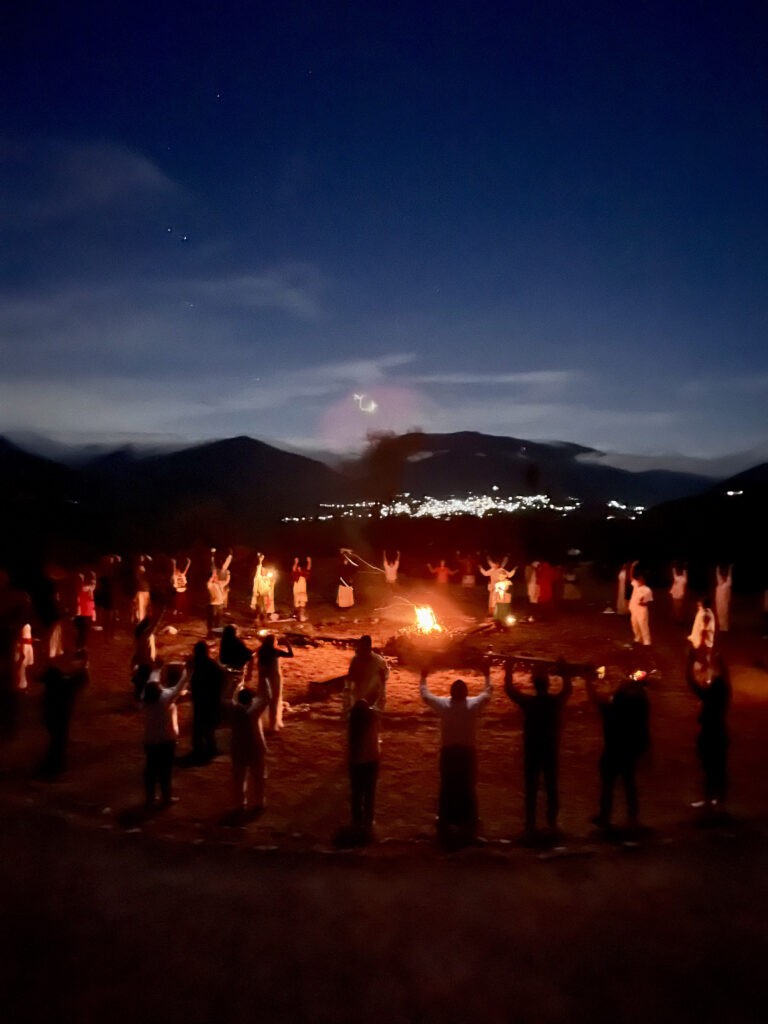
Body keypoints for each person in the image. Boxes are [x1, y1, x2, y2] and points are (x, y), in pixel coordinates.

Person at [419, 663, 492, 846]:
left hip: (450, 754)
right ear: (466, 693)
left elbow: (425, 696)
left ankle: (445, 823)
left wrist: (423, 677)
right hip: (466, 754)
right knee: (467, 788)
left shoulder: (445, 705)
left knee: (447, 788)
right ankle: (469, 823)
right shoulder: (472, 705)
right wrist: (487, 675)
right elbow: (487, 693)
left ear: (451, 693)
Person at [504, 659, 572, 836]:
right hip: (550, 748)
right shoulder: (554, 702)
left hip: (532, 748)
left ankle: (530, 825)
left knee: (531, 788)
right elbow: (567, 690)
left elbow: (510, 690)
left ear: (533, 684)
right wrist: (565, 671)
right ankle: (552, 824)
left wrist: (509, 669)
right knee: (551, 786)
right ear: (548, 684)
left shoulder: (529, 702)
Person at [586, 670, 650, 830]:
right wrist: (639, 686)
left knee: (608, 785)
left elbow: (595, 698)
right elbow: (643, 703)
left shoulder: (610, 711)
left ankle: (605, 816)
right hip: (629, 750)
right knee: (629, 783)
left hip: (612, 752)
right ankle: (632, 817)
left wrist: (588, 682)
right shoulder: (636, 711)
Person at [685, 648, 730, 809]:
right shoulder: (724, 693)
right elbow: (725, 679)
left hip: (709, 735)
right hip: (721, 734)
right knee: (719, 768)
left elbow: (691, 682)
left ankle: (709, 800)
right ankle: (719, 800)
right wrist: (721, 663)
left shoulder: (709, 696)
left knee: (709, 769)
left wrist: (690, 661)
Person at [142, 661, 188, 807]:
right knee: (165, 771)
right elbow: (180, 687)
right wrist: (188, 671)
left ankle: (150, 797)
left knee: (151, 769)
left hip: (150, 740)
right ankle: (166, 798)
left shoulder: (146, 699)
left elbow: (151, 683)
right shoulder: (165, 699)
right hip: (166, 740)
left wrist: (156, 670)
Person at [39, 650, 89, 777]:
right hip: (58, 715)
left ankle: (53, 767)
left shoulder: (55, 679)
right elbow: (73, 683)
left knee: (57, 741)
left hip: (53, 714)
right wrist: (81, 671)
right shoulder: (60, 682)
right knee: (58, 742)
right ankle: (52, 769)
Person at [229, 685, 269, 815]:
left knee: (238, 778)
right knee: (258, 777)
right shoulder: (253, 713)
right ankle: (258, 802)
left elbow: (227, 698)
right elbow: (267, 698)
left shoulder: (234, 711)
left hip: (237, 748)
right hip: (254, 748)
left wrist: (234, 686)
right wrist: (266, 679)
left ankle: (238, 804)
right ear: (251, 701)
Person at [348, 697, 380, 842]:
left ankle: (356, 821)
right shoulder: (372, 719)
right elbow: (378, 708)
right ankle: (368, 821)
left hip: (356, 762)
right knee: (369, 793)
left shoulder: (353, 725)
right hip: (371, 761)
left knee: (356, 793)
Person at [188, 641, 226, 762]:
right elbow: (220, 678)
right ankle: (210, 748)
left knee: (199, 724)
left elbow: (191, 679)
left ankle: (198, 748)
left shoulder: (195, 663)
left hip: (199, 699)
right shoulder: (211, 664)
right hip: (210, 699)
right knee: (209, 725)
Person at [256, 633, 293, 732]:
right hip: (274, 677)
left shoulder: (261, 650)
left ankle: (262, 721)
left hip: (264, 677)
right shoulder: (275, 651)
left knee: (264, 699)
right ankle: (272, 724)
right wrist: (288, 644)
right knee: (274, 700)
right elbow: (290, 654)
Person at [344, 635, 389, 713]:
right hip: (358, 697)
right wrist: (348, 690)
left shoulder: (378, 661)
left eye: (362, 648)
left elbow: (384, 678)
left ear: (368, 648)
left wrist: (381, 696)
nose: (358, 650)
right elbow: (350, 676)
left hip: (372, 699)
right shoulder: (356, 660)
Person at [219, 623, 254, 689]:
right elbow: (244, 652)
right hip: (235, 664)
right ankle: (248, 676)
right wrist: (250, 652)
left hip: (225, 662)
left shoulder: (224, 640)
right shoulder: (237, 641)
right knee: (251, 656)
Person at [628, 562, 653, 646]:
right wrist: (632, 566)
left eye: (641, 579)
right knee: (634, 624)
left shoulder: (647, 590)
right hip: (634, 609)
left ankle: (647, 641)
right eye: (639, 578)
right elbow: (631, 577)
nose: (639, 580)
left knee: (643, 625)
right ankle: (637, 638)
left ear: (644, 580)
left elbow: (647, 603)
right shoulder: (636, 585)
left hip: (641, 610)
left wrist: (642, 603)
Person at [251, 553, 276, 624]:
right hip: (260, 596)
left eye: (265, 571)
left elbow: (270, 586)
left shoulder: (267, 579)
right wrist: (260, 561)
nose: (264, 571)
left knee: (265, 609)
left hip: (265, 596)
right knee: (259, 608)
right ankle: (257, 620)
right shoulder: (258, 577)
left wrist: (272, 581)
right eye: (263, 571)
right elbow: (258, 569)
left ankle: (264, 620)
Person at [291, 556, 312, 621]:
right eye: (298, 567)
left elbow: (308, 568)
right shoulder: (295, 573)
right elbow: (293, 568)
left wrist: (309, 561)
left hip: (302, 588)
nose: (299, 568)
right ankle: (297, 615)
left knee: (302, 602)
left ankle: (302, 615)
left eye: (300, 567)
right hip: (297, 587)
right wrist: (296, 562)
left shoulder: (304, 573)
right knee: (297, 602)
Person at [715, 564, 732, 633]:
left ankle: (725, 627)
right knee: (719, 614)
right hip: (718, 602)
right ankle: (721, 627)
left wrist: (730, 569)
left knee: (724, 614)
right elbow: (718, 575)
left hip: (724, 602)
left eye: (723, 578)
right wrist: (717, 567)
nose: (722, 578)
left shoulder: (726, 585)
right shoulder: (719, 584)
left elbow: (729, 577)